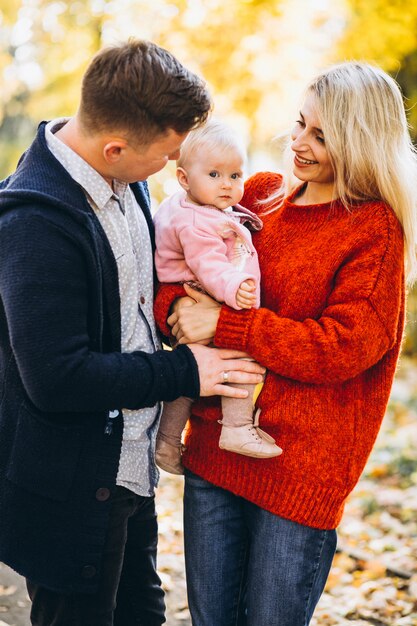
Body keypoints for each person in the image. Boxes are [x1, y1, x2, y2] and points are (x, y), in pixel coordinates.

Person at [0, 40, 266, 626]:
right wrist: (185, 370)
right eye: (166, 156)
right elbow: (56, 378)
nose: (172, 169)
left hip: (129, 468)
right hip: (70, 490)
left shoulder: (127, 178)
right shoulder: (34, 225)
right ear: (115, 147)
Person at [154, 61, 417, 625]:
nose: (297, 143)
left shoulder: (374, 230)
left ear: (359, 141)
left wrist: (223, 325)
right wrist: (177, 309)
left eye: (320, 135)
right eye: (300, 124)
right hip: (216, 452)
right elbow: (175, 266)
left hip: (299, 473)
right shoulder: (256, 195)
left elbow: (340, 348)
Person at [153, 120, 282, 474]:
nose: (227, 185)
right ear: (183, 178)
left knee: (189, 377)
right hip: (209, 291)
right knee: (242, 358)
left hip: (196, 296)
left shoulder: (197, 207)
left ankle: (165, 443)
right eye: (214, 174)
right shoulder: (196, 223)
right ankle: (238, 428)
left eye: (236, 176)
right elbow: (207, 262)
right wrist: (233, 290)